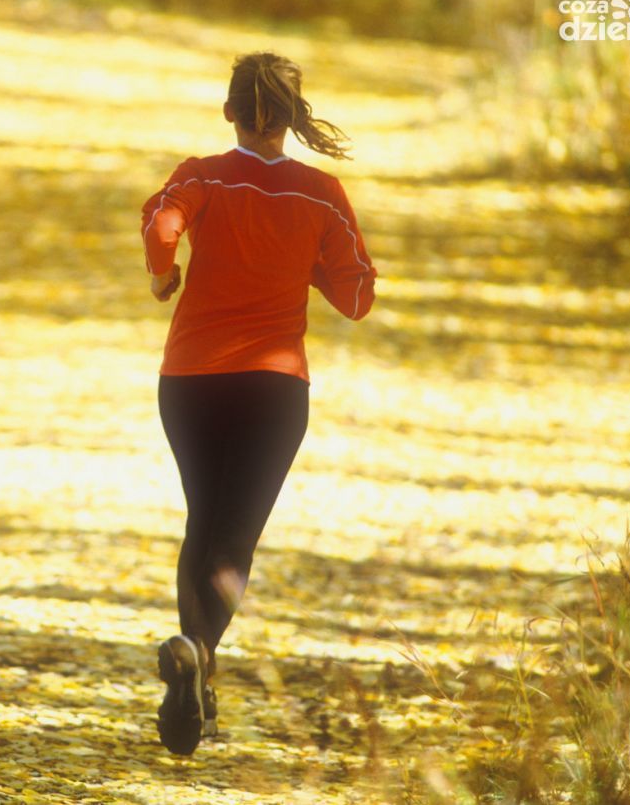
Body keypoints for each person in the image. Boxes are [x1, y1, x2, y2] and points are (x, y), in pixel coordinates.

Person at [141, 51, 377, 755]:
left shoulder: (201, 174)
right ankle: (198, 657)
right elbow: (357, 297)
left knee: (202, 520)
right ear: (293, 118)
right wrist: (301, 258)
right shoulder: (320, 193)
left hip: (190, 381)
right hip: (274, 389)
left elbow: (161, 227)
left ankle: (195, 672)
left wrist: (165, 277)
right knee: (233, 540)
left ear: (229, 112)